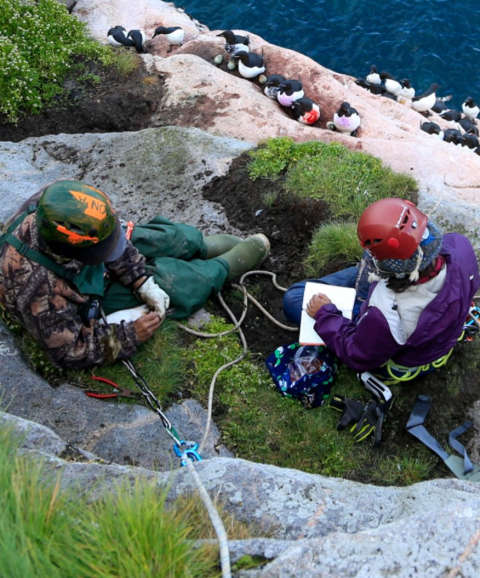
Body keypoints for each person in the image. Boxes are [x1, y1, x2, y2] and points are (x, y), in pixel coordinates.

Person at [0, 180, 269, 369]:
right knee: (175, 285)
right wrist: (130, 335)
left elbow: (113, 244)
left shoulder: (65, 200)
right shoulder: (37, 291)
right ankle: (220, 268)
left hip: (82, 259)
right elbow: (69, 351)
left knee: (167, 238)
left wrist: (141, 280)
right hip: (78, 295)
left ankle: (200, 246)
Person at [283, 198, 480, 383]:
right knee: (378, 243)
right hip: (432, 336)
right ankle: (362, 294)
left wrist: (324, 314)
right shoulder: (460, 247)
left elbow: (357, 355)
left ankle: (355, 305)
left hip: (396, 356)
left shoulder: (387, 310)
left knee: (294, 299)